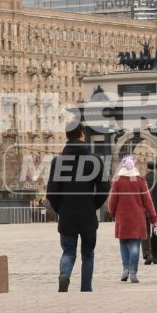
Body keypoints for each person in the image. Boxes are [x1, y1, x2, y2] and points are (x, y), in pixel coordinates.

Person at [45, 120, 110, 292]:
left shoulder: (57, 161)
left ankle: (64, 275)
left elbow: (51, 192)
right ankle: (86, 289)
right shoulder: (94, 160)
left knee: (68, 252)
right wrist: (93, 205)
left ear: (67, 136)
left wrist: (61, 209)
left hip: (67, 215)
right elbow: (104, 188)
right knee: (88, 254)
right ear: (82, 134)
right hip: (87, 214)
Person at [109, 155, 157, 282]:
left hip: (122, 217)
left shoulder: (117, 181)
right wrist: (153, 218)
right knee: (135, 245)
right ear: (134, 166)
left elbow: (112, 201)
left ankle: (125, 268)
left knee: (123, 243)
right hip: (137, 218)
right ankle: (133, 272)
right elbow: (148, 201)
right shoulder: (140, 181)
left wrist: (113, 213)